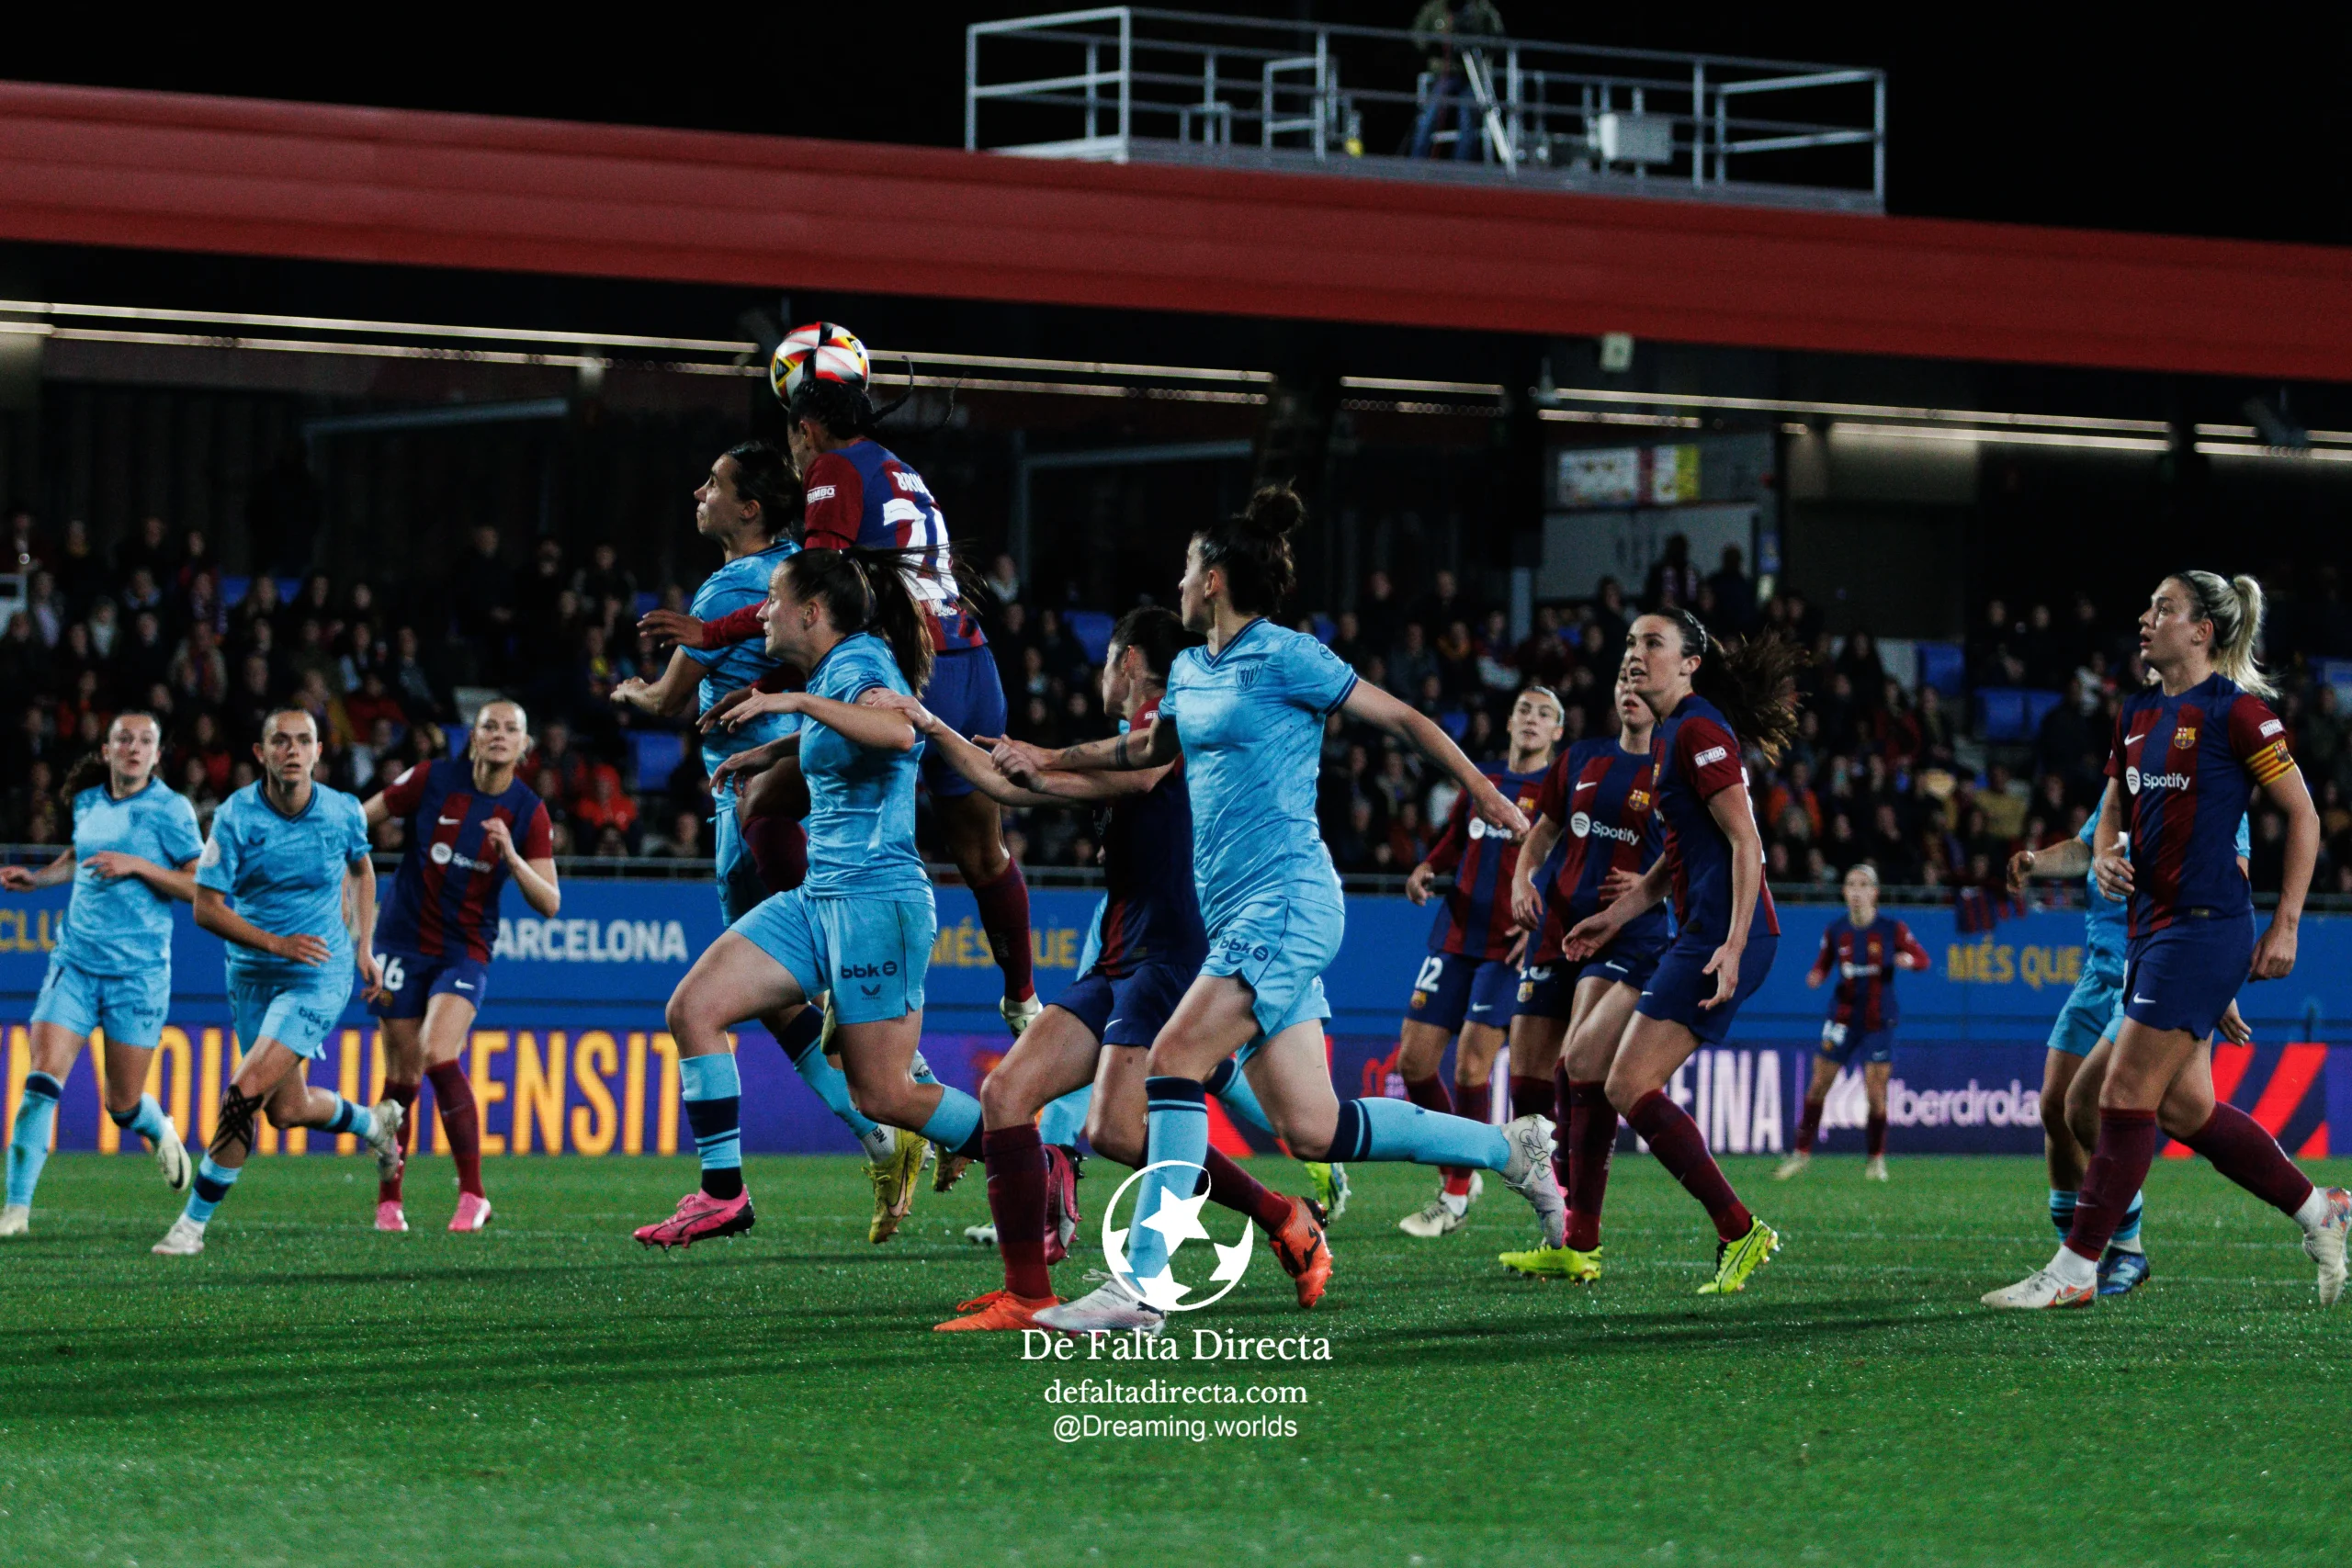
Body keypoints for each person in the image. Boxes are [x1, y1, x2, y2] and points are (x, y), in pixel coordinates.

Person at [994, 487, 1566, 1337]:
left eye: (1190, 567)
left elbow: (1404, 719)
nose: (1180, 581)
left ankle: (1141, 1289)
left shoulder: (1289, 657)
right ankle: (1510, 1149)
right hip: (1239, 921)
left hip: (1290, 901)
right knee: (1313, 1125)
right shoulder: (1190, 671)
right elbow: (1145, 751)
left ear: (1215, 580)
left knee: (1175, 1057)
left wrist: (1484, 791)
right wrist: (1049, 756)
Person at [888, 608, 1334, 1332]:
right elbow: (1009, 787)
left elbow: (1142, 770)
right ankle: (1027, 1295)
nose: (1100, 674)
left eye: (1105, 662)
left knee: (1118, 1129)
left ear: (1127, 661)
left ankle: (1266, 1229)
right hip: (1119, 954)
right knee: (1012, 1094)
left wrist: (1050, 757)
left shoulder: (1171, 718)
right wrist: (932, 726)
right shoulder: (1120, 748)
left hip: (1169, 954)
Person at [651, 327, 1039, 1038]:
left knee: (764, 804)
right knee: (984, 853)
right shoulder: (899, 468)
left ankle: (832, 968)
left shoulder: (831, 468)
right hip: (972, 659)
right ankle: (1022, 998)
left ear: (805, 427)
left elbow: (816, 592)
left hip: (906, 672)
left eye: (793, 438)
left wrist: (719, 637)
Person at [1986, 571, 2347, 1309]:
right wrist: (2110, 854)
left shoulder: (2239, 713)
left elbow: (2303, 817)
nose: (2146, 618)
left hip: (2208, 929)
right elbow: (2112, 813)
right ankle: (2322, 1209)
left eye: (2164, 608)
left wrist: (2286, 925)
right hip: (2151, 935)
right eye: (2148, 605)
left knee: (2116, 1092)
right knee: (2174, 1109)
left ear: (2202, 630)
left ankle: (2078, 1268)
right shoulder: (2137, 712)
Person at [616, 443, 932, 1243]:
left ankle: (911, 1112)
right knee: (764, 997)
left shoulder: (742, 586)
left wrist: (633, 691)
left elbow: (667, 700)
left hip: (768, 812)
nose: (699, 490)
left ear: (750, 508)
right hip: (797, 790)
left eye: (713, 484)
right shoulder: (808, 569)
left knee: (758, 995)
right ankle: (889, 1120)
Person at [1557, 609, 1804, 1295]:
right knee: (1585, 1061)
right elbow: (1674, 862)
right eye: (1632, 643)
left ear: (1690, 661)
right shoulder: (1671, 738)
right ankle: (1580, 1239)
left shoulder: (1696, 729)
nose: (1636, 656)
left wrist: (1729, 945)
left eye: (1653, 644)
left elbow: (1746, 840)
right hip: (1694, 934)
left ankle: (1738, 1226)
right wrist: (1612, 917)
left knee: (1627, 1083)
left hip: (1726, 936)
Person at [151, 709, 404, 1257]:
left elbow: (362, 872)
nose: (292, 750)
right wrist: (274, 943)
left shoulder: (341, 812)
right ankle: (374, 1125)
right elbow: (205, 908)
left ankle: (190, 1227)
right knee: (284, 1111)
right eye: (280, 741)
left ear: (318, 752)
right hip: (251, 974)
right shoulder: (236, 815)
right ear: (261, 752)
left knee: (242, 1093)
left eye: (304, 741)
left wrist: (363, 946)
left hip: (318, 973)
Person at [2008, 802, 2254, 1296]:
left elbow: (2226, 890)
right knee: (2054, 1106)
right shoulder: (2121, 784)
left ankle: (2128, 1247)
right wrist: (2035, 861)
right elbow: (2084, 849)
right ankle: (2072, 1257)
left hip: (2148, 975)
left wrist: (2220, 979)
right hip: (2097, 974)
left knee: (2089, 1108)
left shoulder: (2208, 786)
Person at [1495, 662, 1668, 1280]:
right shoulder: (1581, 759)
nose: (1631, 687)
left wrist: (1648, 892)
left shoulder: (1671, 767)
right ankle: (1553, 1208)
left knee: (1579, 1064)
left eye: (1642, 679)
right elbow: (1541, 833)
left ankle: (1574, 1222)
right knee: (1527, 1079)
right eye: (1622, 677)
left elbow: (1686, 855)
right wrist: (1522, 878)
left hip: (1619, 934)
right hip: (1555, 927)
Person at [0, 713, 201, 1236]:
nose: (134, 748)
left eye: (145, 741)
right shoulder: (89, 800)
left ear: (158, 755)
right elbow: (81, 856)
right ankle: (15, 1211)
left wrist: (139, 866)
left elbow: (199, 885)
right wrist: (40, 879)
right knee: (41, 1083)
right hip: (76, 963)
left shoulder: (171, 810)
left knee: (123, 1104)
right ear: (109, 751)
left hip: (137, 976)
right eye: (124, 740)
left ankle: (158, 1128)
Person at [363, 699, 560, 1234]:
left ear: (524, 748)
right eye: (489, 726)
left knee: (437, 1051)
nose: (499, 735)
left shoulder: (527, 812)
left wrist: (513, 857)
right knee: (401, 1074)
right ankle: (389, 1201)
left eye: (511, 729)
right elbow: (361, 819)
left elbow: (550, 902)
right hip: (401, 940)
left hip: (465, 947)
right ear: (472, 738)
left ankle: (473, 1194)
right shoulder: (431, 778)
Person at [1392, 684, 1564, 1238]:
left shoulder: (1557, 793)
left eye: (1545, 714)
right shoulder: (1482, 780)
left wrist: (1546, 926)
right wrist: (1428, 867)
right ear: (1510, 721)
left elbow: (1567, 865)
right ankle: (1461, 1168)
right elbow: (1455, 839)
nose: (1531, 720)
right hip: (1455, 935)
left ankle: (1458, 1193)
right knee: (1414, 1063)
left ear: (1557, 732)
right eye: (1524, 710)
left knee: (1471, 1067)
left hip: (1508, 947)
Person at [1778, 864, 1928, 1182]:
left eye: (1863, 885)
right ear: (1844, 892)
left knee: (1876, 1092)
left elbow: (1923, 959)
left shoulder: (1892, 929)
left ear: (1874, 892)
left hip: (1878, 1018)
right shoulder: (1836, 931)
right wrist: (1816, 976)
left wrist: (1909, 961)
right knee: (1819, 1084)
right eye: (1851, 885)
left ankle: (1875, 1161)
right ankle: (1800, 1155)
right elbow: (1822, 964)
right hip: (1842, 1017)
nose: (1856, 891)